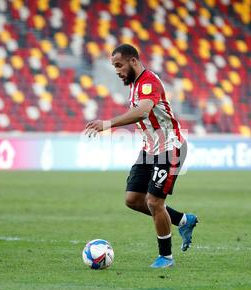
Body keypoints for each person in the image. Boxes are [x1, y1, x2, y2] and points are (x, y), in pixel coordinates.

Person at [85, 44, 198, 268]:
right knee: (133, 200)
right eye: (114, 66)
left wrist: (107, 124)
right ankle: (184, 220)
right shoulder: (135, 85)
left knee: (155, 201)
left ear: (133, 61)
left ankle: (166, 257)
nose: (116, 71)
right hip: (149, 149)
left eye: (119, 65)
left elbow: (142, 111)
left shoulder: (148, 83)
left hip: (169, 147)